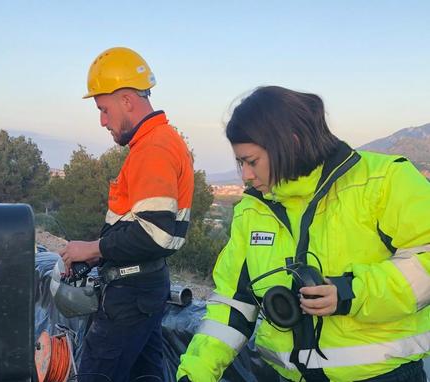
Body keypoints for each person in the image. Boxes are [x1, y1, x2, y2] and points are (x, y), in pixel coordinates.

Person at [176, 86, 430, 382]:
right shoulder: (252, 210)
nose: (245, 175)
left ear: (292, 144)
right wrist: (194, 374)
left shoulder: (384, 180)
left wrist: (352, 293)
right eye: (239, 163)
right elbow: (232, 306)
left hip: (382, 376)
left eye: (252, 161)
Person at [59, 47, 194, 382]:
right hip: (143, 287)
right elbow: (136, 225)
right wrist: (98, 256)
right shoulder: (155, 142)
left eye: (104, 110)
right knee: (144, 376)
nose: (102, 121)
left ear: (127, 100)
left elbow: (154, 233)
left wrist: (91, 249)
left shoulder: (154, 148)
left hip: (132, 293)